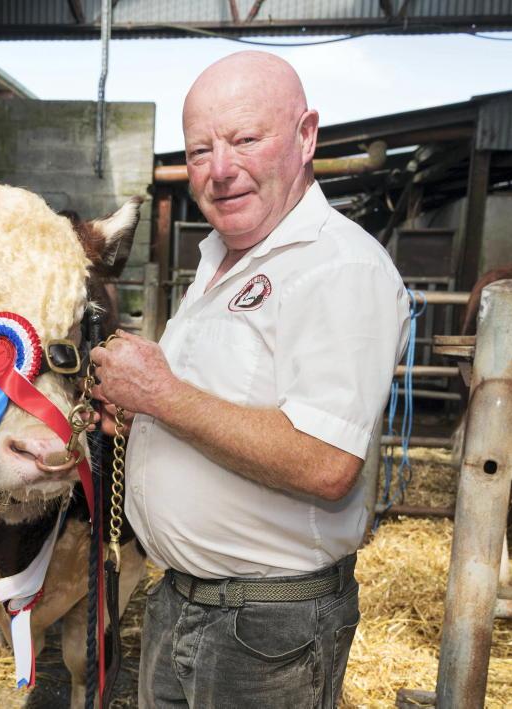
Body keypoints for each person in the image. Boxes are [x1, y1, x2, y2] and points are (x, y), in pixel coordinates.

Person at [90, 51, 410, 708]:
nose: (220, 169)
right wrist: (139, 416)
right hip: (179, 599)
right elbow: (215, 409)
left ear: (305, 136)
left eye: (244, 139)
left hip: (266, 629)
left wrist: (161, 396)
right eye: (200, 150)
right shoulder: (222, 260)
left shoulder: (338, 268)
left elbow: (326, 462)